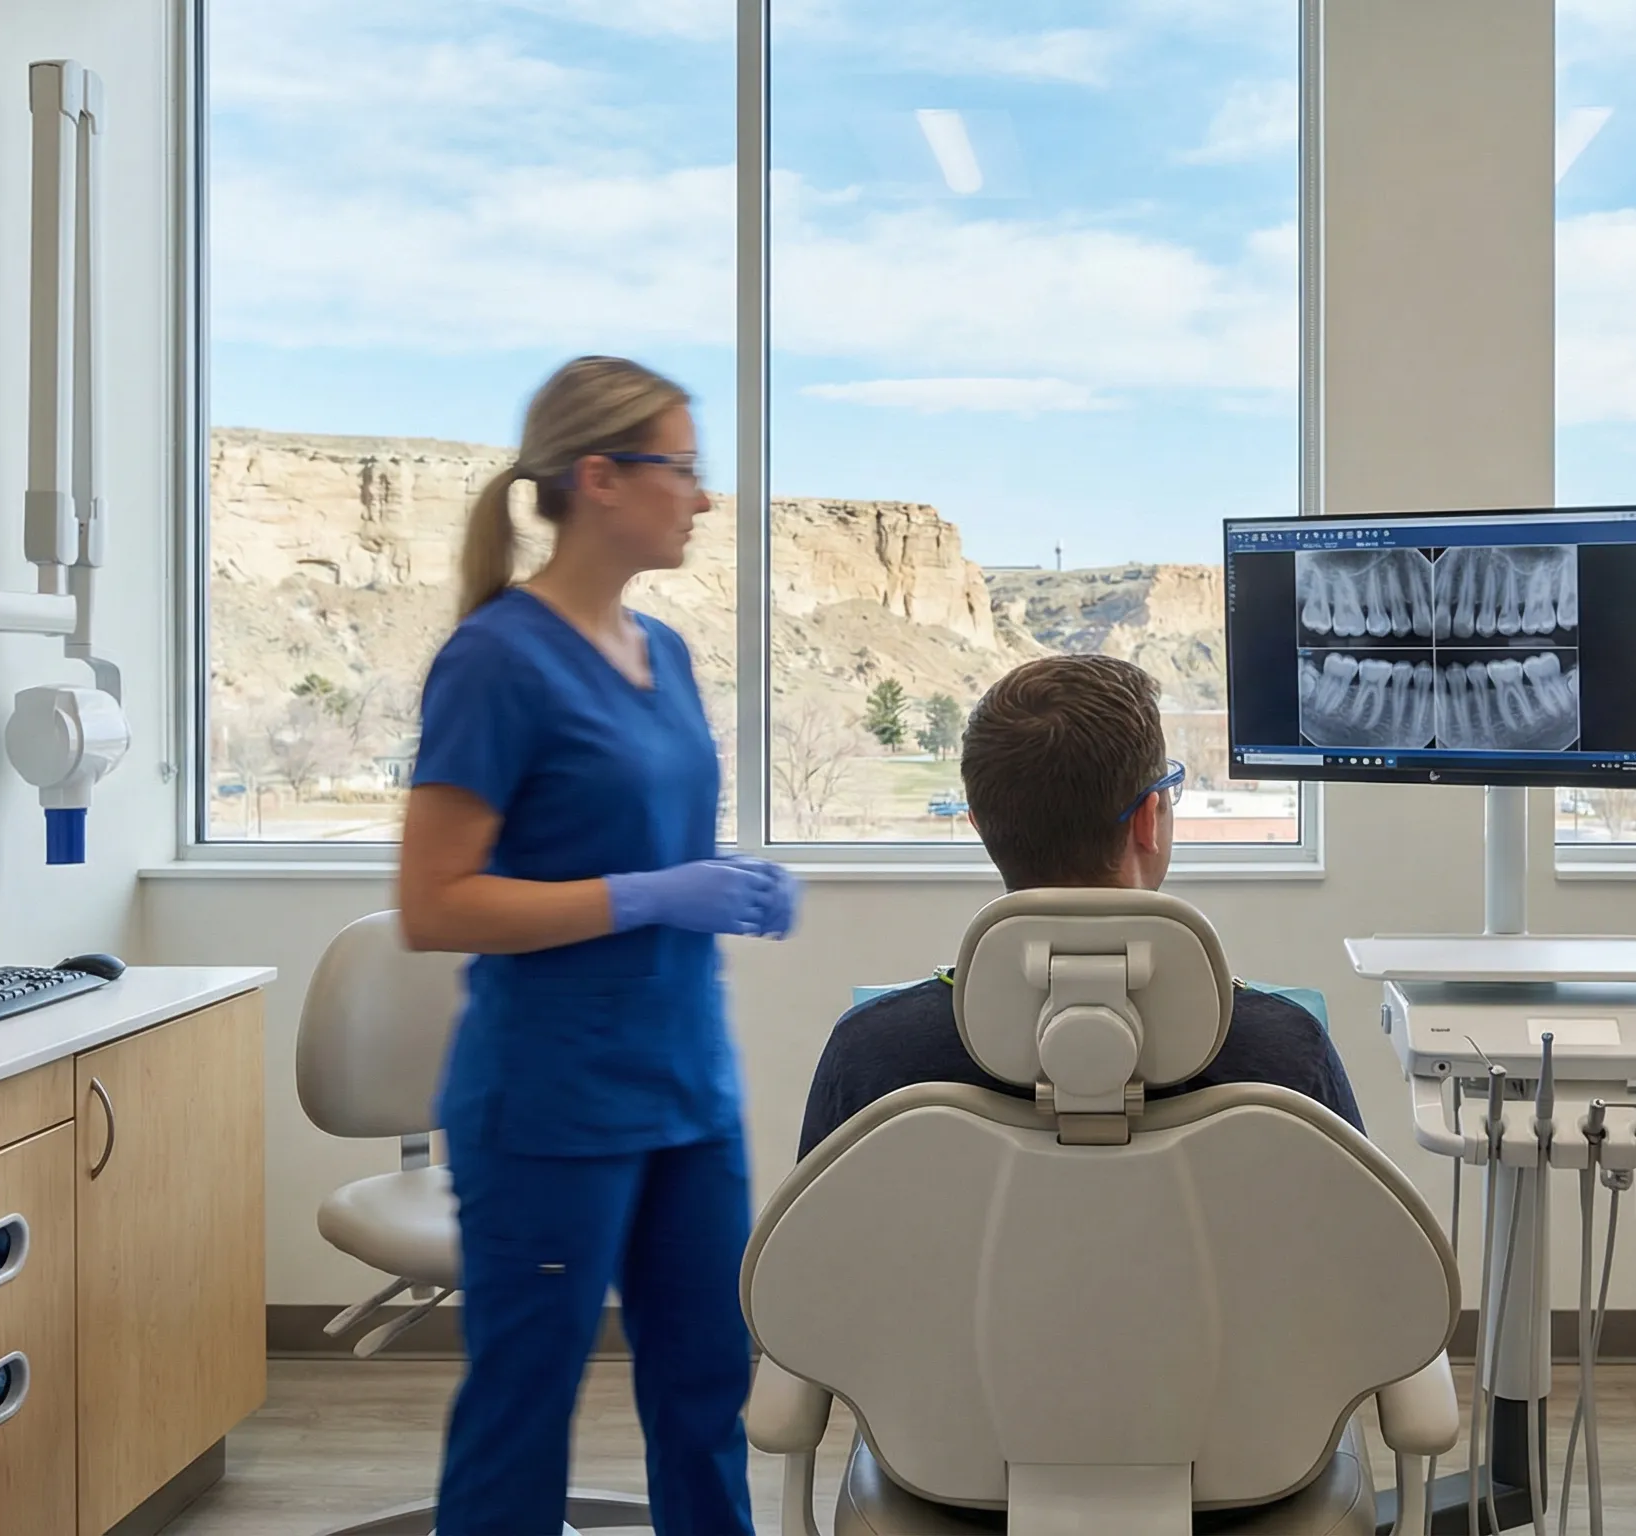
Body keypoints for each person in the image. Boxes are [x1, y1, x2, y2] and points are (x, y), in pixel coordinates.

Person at [398, 356, 795, 1536]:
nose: (704, 499)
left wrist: (724, 890)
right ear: (600, 479)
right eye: (685, 469)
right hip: (552, 1101)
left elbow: (637, 836)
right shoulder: (495, 661)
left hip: (688, 1087)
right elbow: (436, 904)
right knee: (523, 1411)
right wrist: (647, 895)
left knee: (705, 1394)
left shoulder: (661, 652)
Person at [798, 654, 1360, 1156]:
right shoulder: (1286, 1057)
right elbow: (1372, 1262)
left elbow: (806, 1264)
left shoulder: (871, 1059)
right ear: (1148, 820)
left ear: (980, 826)